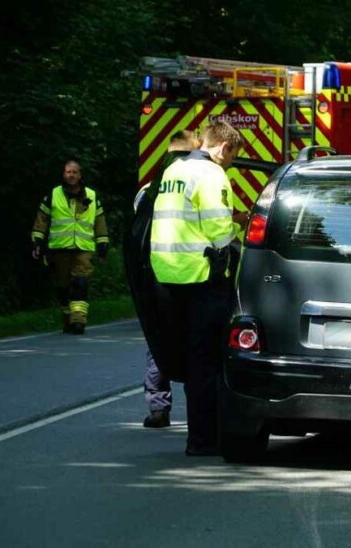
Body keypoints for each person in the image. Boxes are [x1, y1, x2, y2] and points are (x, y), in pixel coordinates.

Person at [150, 120, 243, 456]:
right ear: (224, 147)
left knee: (189, 360)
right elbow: (220, 233)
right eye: (233, 156)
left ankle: (198, 436)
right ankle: (204, 440)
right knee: (208, 363)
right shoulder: (213, 174)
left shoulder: (174, 170)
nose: (231, 163)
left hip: (167, 276)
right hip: (202, 277)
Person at [135, 130, 200, 429]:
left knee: (158, 341)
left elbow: (139, 236)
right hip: (192, 275)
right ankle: (199, 411)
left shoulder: (148, 191)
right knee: (196, 343)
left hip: (157, 276)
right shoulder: (198, 183)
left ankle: (158, 407)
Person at [31, 161, 109, 335]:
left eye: (74, 172)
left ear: (80, 175)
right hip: (59, 249)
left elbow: (100, 221)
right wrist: (37, 242)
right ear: (63, 175)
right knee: (63, 287)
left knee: (81, 283)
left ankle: (79, 320)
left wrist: (103, 243)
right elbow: (41, 220)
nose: (71, 175)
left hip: (83, 249)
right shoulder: (53, 195)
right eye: (68, 172)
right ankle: (67, 316)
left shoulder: (92, 196)